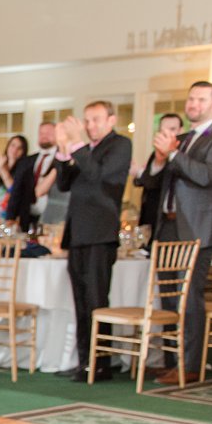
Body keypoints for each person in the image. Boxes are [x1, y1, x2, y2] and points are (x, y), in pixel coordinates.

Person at [149, 80, 212, 385]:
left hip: (198, 226)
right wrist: (161, 160)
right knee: (170, 298)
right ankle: (172, 360)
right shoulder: (182, 138)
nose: (193, 105)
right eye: (190, 99)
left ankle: (191, 365)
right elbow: (152, 180)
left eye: (200, 100)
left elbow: (206, 176)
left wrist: (172, 155)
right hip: (169, 224)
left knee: (189, 298)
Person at [54, 101, 133, 381]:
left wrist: (76, 145)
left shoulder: (120, 146)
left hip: (100, 233)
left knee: (96, 300)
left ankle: (100, 363)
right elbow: (64, 184)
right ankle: (84, 360)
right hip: (77, 234)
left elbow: (98, 175)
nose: (90, 126)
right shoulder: (85, 150)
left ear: (111, 120)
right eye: (86, 120)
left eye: (96, 120)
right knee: (79, 300)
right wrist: (63, 152)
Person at [135, 113, 185, 233]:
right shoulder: (155, 154)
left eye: (172, 129)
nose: (167, 134)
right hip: (152, 214)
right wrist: (158, 162)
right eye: (163, 130)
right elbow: (147, 182)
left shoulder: (184, 155)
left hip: (175, 219)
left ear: (181, 131)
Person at [0, 135, 31, 226]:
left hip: (10, 211)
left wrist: (2, 169)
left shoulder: (23, 169)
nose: (14, 150)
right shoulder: (0, 163)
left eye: (19, 148)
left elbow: (13, 189)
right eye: (12, 145)